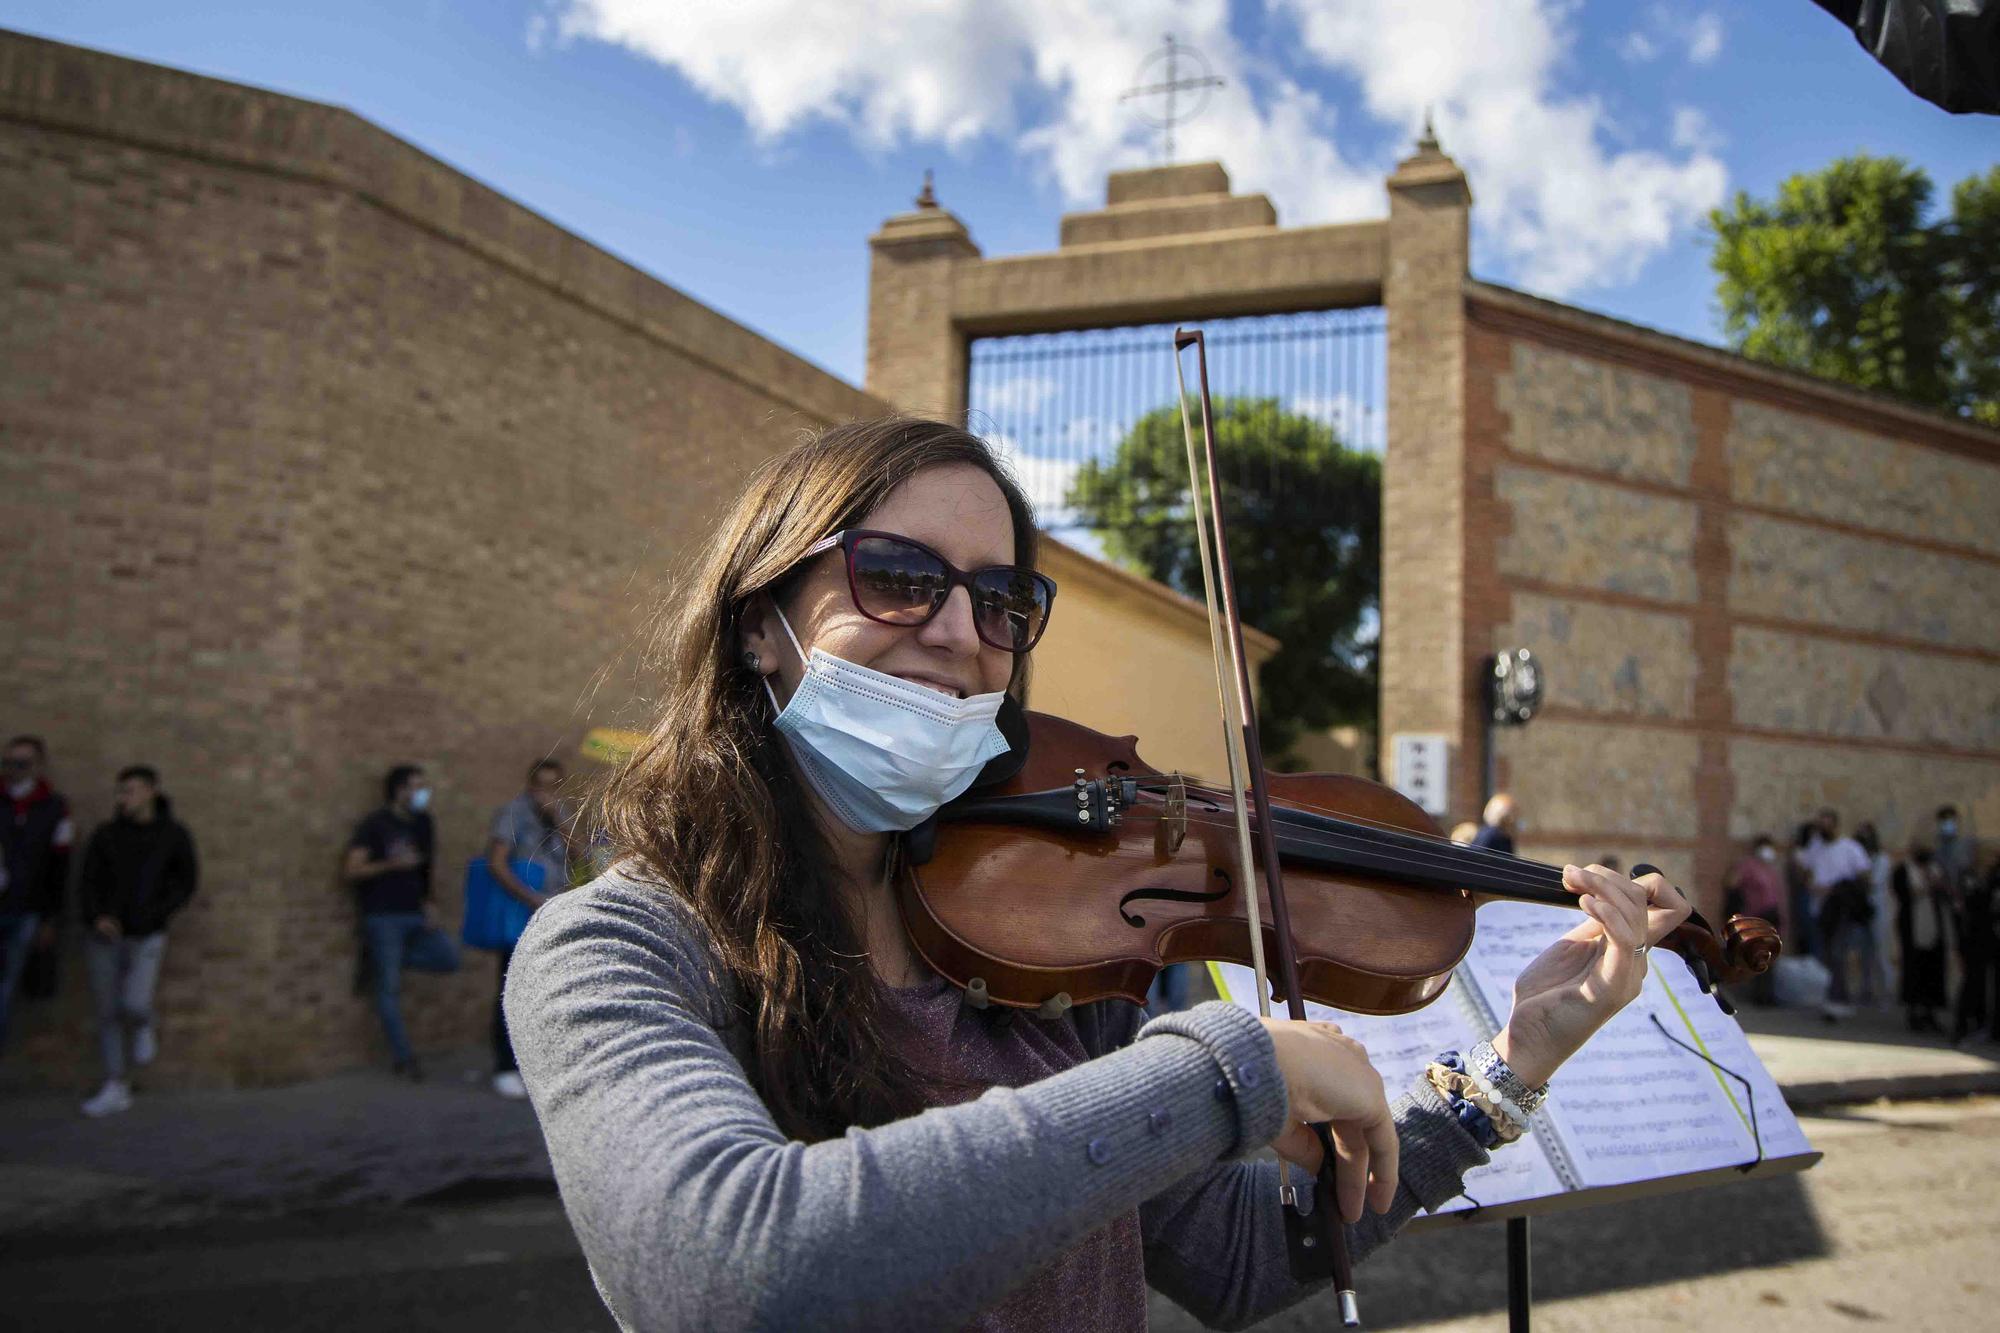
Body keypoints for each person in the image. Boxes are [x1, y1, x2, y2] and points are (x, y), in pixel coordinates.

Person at [501, 418, 1695, 1331]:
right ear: (761, 619)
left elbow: (1233, 1260)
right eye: (899, 576)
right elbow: (729, 1270)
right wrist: (1229, 1070)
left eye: (1001, 599)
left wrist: (1516, 1060)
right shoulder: (614, 950)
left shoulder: (1030, 953)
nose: (962, 632)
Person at [75, 765, 199, 1117]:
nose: (122, 798)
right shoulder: (106, 835)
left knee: (134, 1002)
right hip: (105, 935)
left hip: (147, 934)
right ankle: (116, 1084)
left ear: (151, 791)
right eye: (120, 792)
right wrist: (97, 916)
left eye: (129, 790)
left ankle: (145, 1024)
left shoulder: (173, 835)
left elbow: (186, 881)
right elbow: (88, 880)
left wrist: (158, 914)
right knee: (107, 1011)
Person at [344, 764, 458, 1078]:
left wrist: (430, 904)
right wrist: (392, 863)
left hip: (415, 913)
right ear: (399, 789)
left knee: (448, 958)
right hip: (383, 915)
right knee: (389, 991)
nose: (423, 793)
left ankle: (385, 963)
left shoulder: (424, 823)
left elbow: (427, 870)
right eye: (417, 786)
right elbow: (352, 870)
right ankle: (404, 1058)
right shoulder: (375, 824)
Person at [484, 759, 572, 1098]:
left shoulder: (562, 813)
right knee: (510, 987)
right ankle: (505, 1066)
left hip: (555, 909)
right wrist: (531, 898)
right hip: (522, 911)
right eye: (541, 786)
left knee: (551, 989)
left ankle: (542, 1065)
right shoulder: (512, 813)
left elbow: (579, 855)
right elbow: (496, 862)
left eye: (554, 786)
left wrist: (558, 819)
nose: (546, 793)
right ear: (530, 784)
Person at [1, 735, 73, 1055]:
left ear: (38, 765)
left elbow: (59, 867)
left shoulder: (55, 808)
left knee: (6, 987)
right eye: (9, 763)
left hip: (27, 910)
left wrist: (50, 919)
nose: (14, 770)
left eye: (22, 763)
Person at [1795, 808, 1871, 1018]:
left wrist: (1839, 888)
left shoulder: (1850, 848)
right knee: (1827, 954)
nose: (1823, 829)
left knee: (1839, 953)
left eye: (1826, 824)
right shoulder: (1815, 848)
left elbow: (1864, 875)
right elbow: (1806, 872)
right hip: (1821, 909)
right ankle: (1833, 996)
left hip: (1842, 910)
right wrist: (1812, 883)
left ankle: (1841, 998)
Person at [1723, 834, 1786, 1006]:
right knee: (1758, 956)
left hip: (1772, 917)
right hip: (1757, 917)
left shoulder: (1771, 868)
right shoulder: (1748, 866)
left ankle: (1769, 995)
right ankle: (1760, 995)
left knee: (1771, 955)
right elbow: (1732, 883)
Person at [1895, 846, 1951, 1033]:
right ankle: (1914, 1012)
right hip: (1913, 930)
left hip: (1934, 928)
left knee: (1933, 972)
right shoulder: (1903, 871)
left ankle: (1930, 1013)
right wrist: (1926, 885)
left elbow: (1946, 894)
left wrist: (1937, 884)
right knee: (1914, 971)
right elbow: (1903, 894)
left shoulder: (1936, 869)